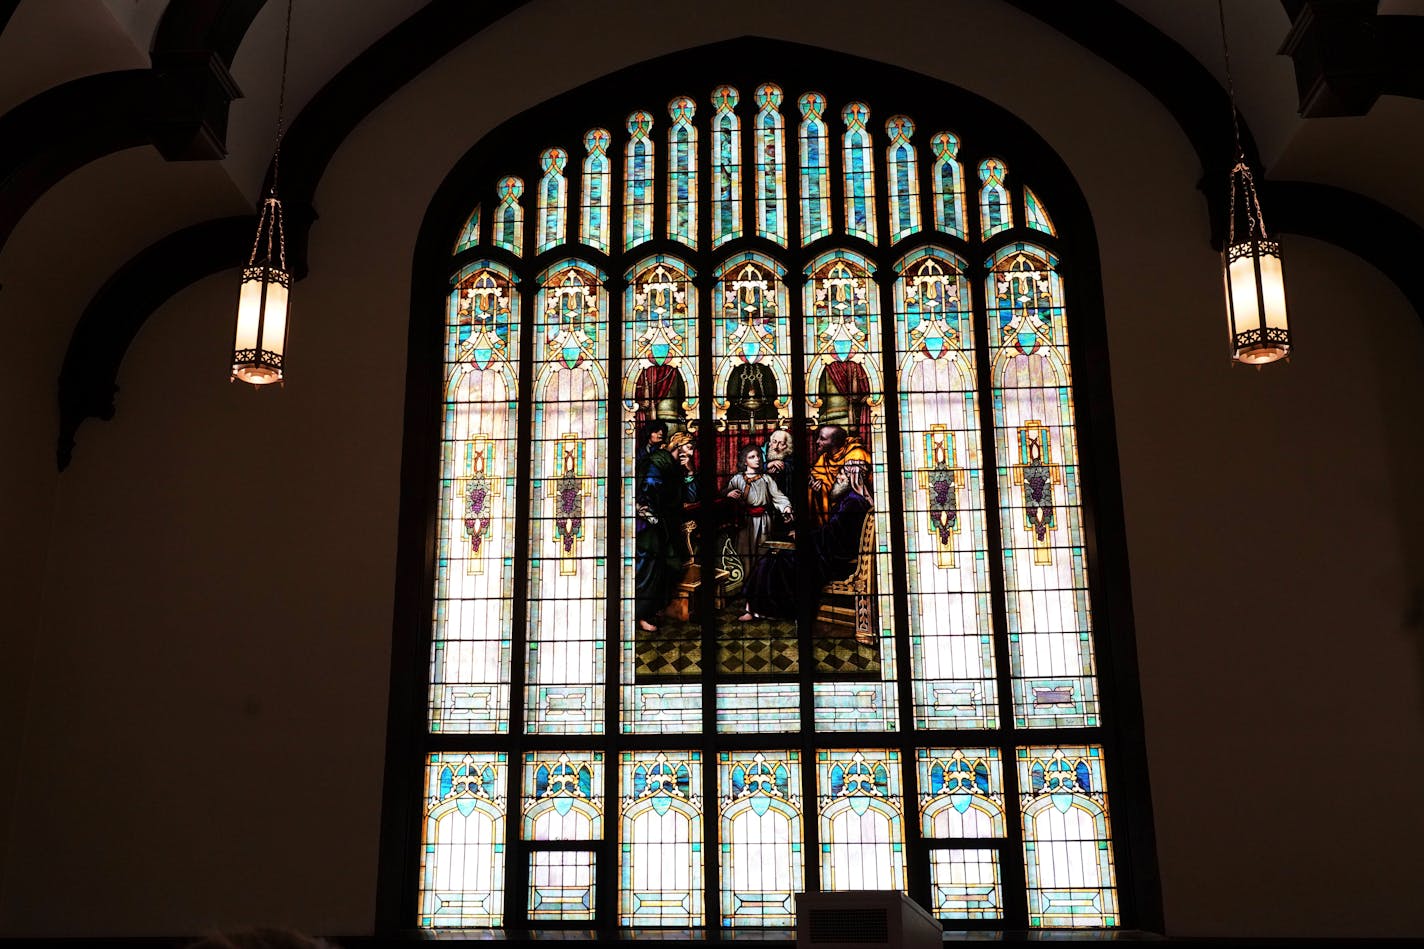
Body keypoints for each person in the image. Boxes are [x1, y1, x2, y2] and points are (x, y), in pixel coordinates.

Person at [741, 462, 872, 622]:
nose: (837, 477)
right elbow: (832, 532)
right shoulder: (850, 500)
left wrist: (804, 536)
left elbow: (834, 535)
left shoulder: (853, 502)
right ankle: (759, 609)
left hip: (835, 560)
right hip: (829, 553)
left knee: (775, 560)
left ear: (852, 479)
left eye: (842, 475)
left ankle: (770, 610)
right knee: (774, 557)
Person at [724, 444, 793, 618]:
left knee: (762, 562)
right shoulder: (737, 478)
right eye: (752, 457)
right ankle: (748, 600)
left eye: (758, 456)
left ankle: (756, 605)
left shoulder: (766, 479)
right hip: (744, 525)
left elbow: (779, 497)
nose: (757, 459)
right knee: (745, 561)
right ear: (745, 460)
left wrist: (786, 509)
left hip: (763, 523)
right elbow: (724, 493)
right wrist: (728, 494)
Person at [634, 420, 684, 632]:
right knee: (647, 568)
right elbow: (649, 488)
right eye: (657, 431)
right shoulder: (655, 460)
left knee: (658, 567)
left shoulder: (664, 461)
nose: (660, 434)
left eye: (663, 432)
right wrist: (646, 509)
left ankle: (650, 611)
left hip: (658, 522)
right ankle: (641, 614)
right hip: (646, 524)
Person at [808, 423, 872, 526]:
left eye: (823, 439)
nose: (817, 442)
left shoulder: (856, 455)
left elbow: (836, 493)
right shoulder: (824, 458)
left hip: (852, 508)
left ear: (835, 442)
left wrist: (824, 489)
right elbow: (817, 479)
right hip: (835, 509)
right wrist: (818, 490)